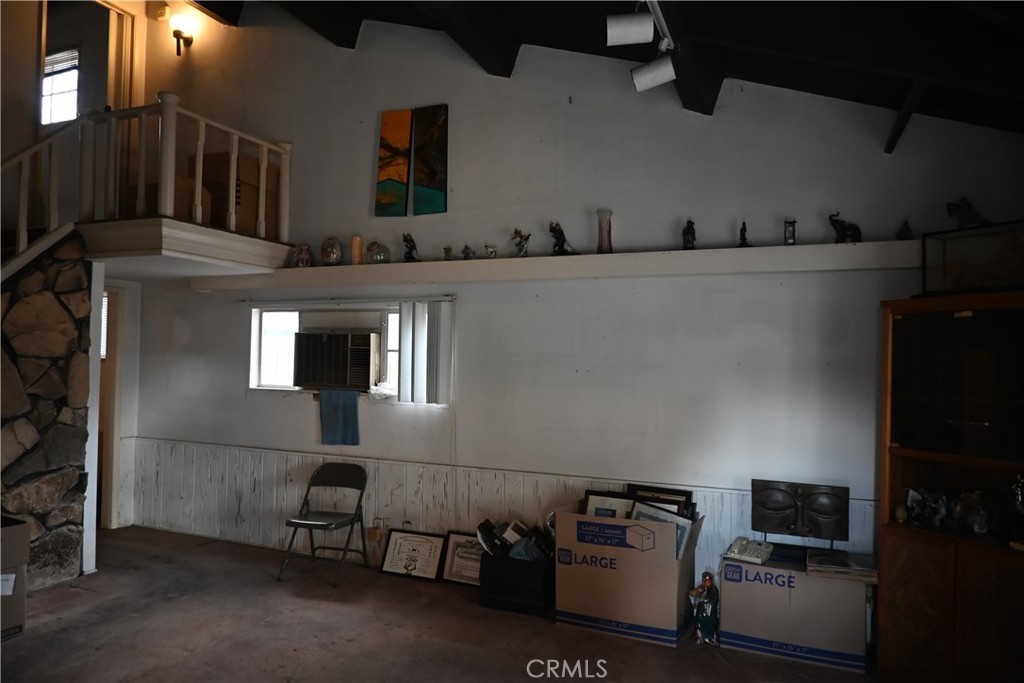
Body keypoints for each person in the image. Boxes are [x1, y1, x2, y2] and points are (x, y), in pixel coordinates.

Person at [688, 571, 719, 645]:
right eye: (704, 581)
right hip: (701, 614)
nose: (706, 582)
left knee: (711, 625)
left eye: (708, 581)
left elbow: (714, 601)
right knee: (699, 625)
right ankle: (699, 637)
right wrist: (698, 591)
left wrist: (707, 601)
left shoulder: (714, 590)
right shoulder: (701, 589)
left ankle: (710, 638)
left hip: (710, 614)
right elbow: (691, 595)